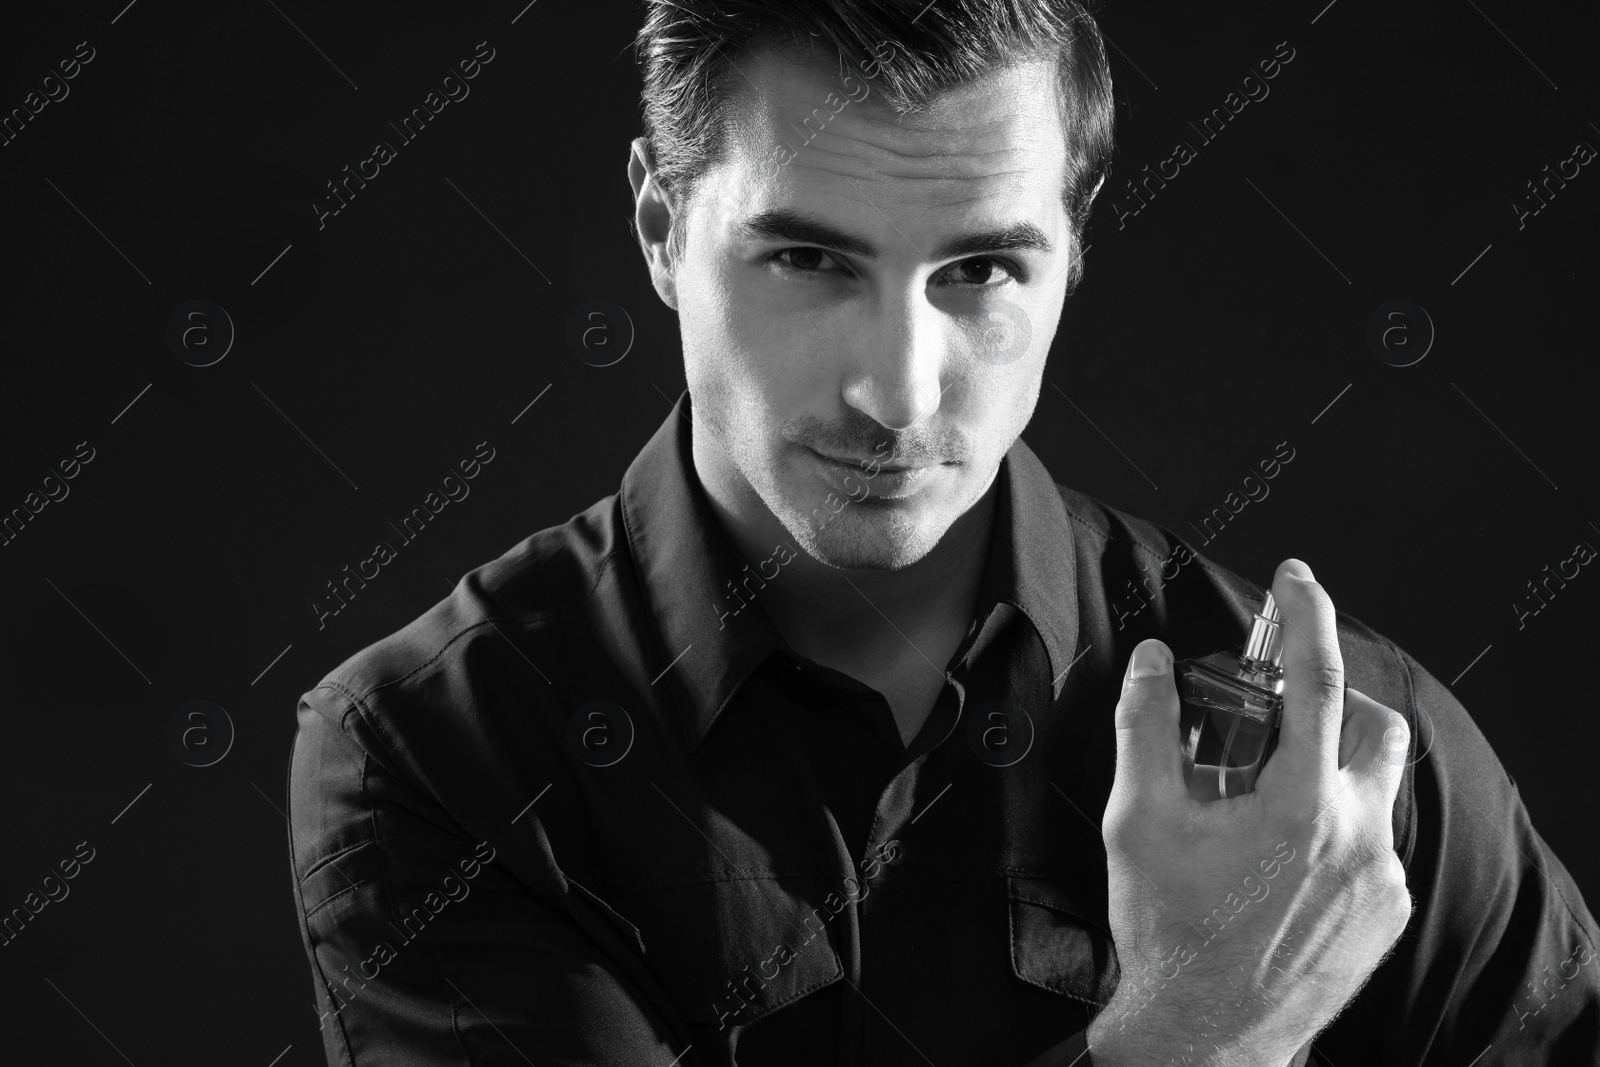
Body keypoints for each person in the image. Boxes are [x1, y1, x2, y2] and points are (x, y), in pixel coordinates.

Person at [285, 1, 1600, 1063]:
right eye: (808, 262)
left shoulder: (1358, 763)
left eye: (979, 271)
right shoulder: (436, 755)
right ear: (658, 228)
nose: (897, 395)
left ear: (1071, 255)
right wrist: (1201, 1038)